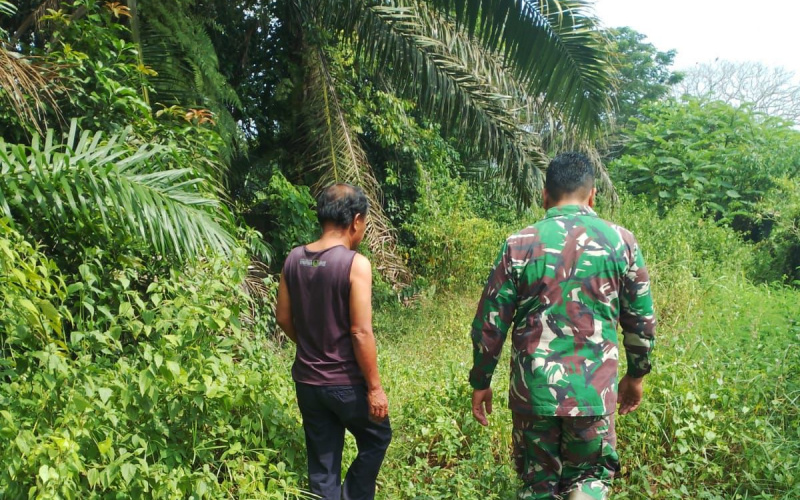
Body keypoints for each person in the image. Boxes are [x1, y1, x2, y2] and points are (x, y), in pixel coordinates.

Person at [468, 152, 656, 499]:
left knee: (539, 487)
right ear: (592, 195)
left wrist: (481, 379)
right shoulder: (622, 242)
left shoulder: (519, 245)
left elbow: (490, 324)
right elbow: (641, 322)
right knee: (588, 479)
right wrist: (637, 374)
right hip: (593, 392)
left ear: (544, 194)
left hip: (533, 393)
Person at [276, 183, 391, 500]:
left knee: (323, 466)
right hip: (346, 384)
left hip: (308, 384)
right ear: (356, 221)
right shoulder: (355, 264)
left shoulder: (294, 259)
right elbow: (360, 332)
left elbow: (283, 317)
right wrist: (375, 388)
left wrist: (311, 346)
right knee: (378, 437)